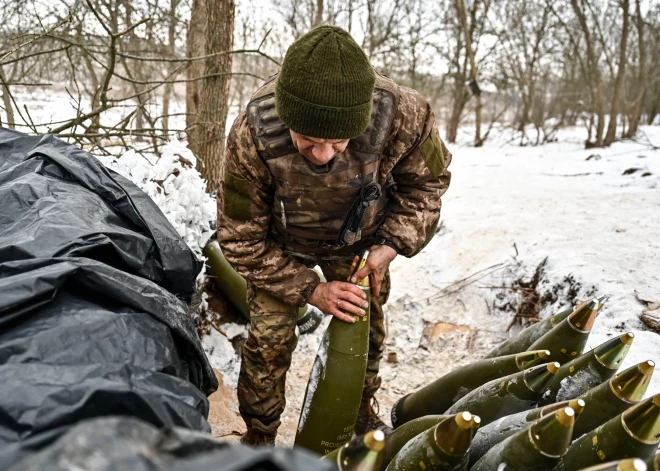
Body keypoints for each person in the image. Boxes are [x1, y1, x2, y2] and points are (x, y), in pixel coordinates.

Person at [218, 25, 452, 445]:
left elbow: (429, 185)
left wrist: (391, 243)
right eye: (307, 141)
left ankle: (358, 412)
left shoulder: (404, 115)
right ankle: (258, 435)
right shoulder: (252, 134)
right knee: (267, 342)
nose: (323, 155)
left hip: (359, 240)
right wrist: (310, 289)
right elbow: (240, 240)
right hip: (279, 247)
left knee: (365, 325)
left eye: (337, 141)